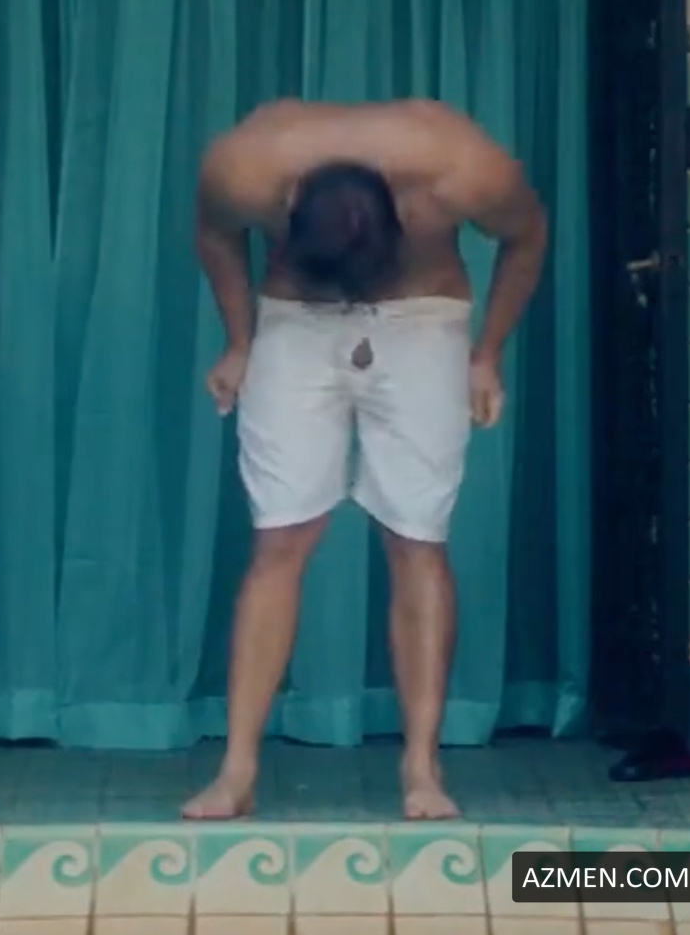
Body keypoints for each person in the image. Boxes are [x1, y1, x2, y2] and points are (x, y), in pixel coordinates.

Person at [184, 98, 547, 820]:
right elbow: (214, 235)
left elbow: (528, 234)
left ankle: (422, 768)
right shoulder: (245, 167)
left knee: (417, 538)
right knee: (279, 540)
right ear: (287, 206)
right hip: (294, 321)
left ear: (406, 217)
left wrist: (487, 353)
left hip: (423, 321)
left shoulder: (462, 167)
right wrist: (240, 340)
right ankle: (237, 769)